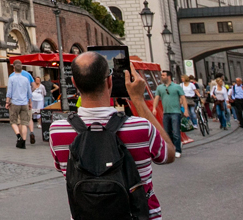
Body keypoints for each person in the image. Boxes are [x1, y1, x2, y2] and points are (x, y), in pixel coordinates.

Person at [49, 53, 174, 220]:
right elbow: (169, 154)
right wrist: (138, 100)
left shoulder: (57, 131)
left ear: (74, 84)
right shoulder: (140, 127)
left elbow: (61, 168)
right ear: (109, 82)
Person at [153, 70, 187, 159]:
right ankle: (172, 147)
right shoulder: (160, 87)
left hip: (176, 112)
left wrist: (186, 110)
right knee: (167, 132)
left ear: (169, 76)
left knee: (176, 132)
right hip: (166, 112)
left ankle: (178, 150)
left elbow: (183, 98)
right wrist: (154, 108)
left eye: (163, 75)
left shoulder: (176, 87)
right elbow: (156, 98)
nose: (162, 76)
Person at [5, 61, 32, 149]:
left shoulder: (11, 78)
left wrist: (7, 102)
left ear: (14, 69)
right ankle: (23, 142)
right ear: (21, 70)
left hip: (15, 103)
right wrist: (30, 103)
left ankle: (18, 136)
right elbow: (29, 92)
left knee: (13, 121)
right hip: (24, 103)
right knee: (24, 123)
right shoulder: (25, 79)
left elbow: (9, 92)